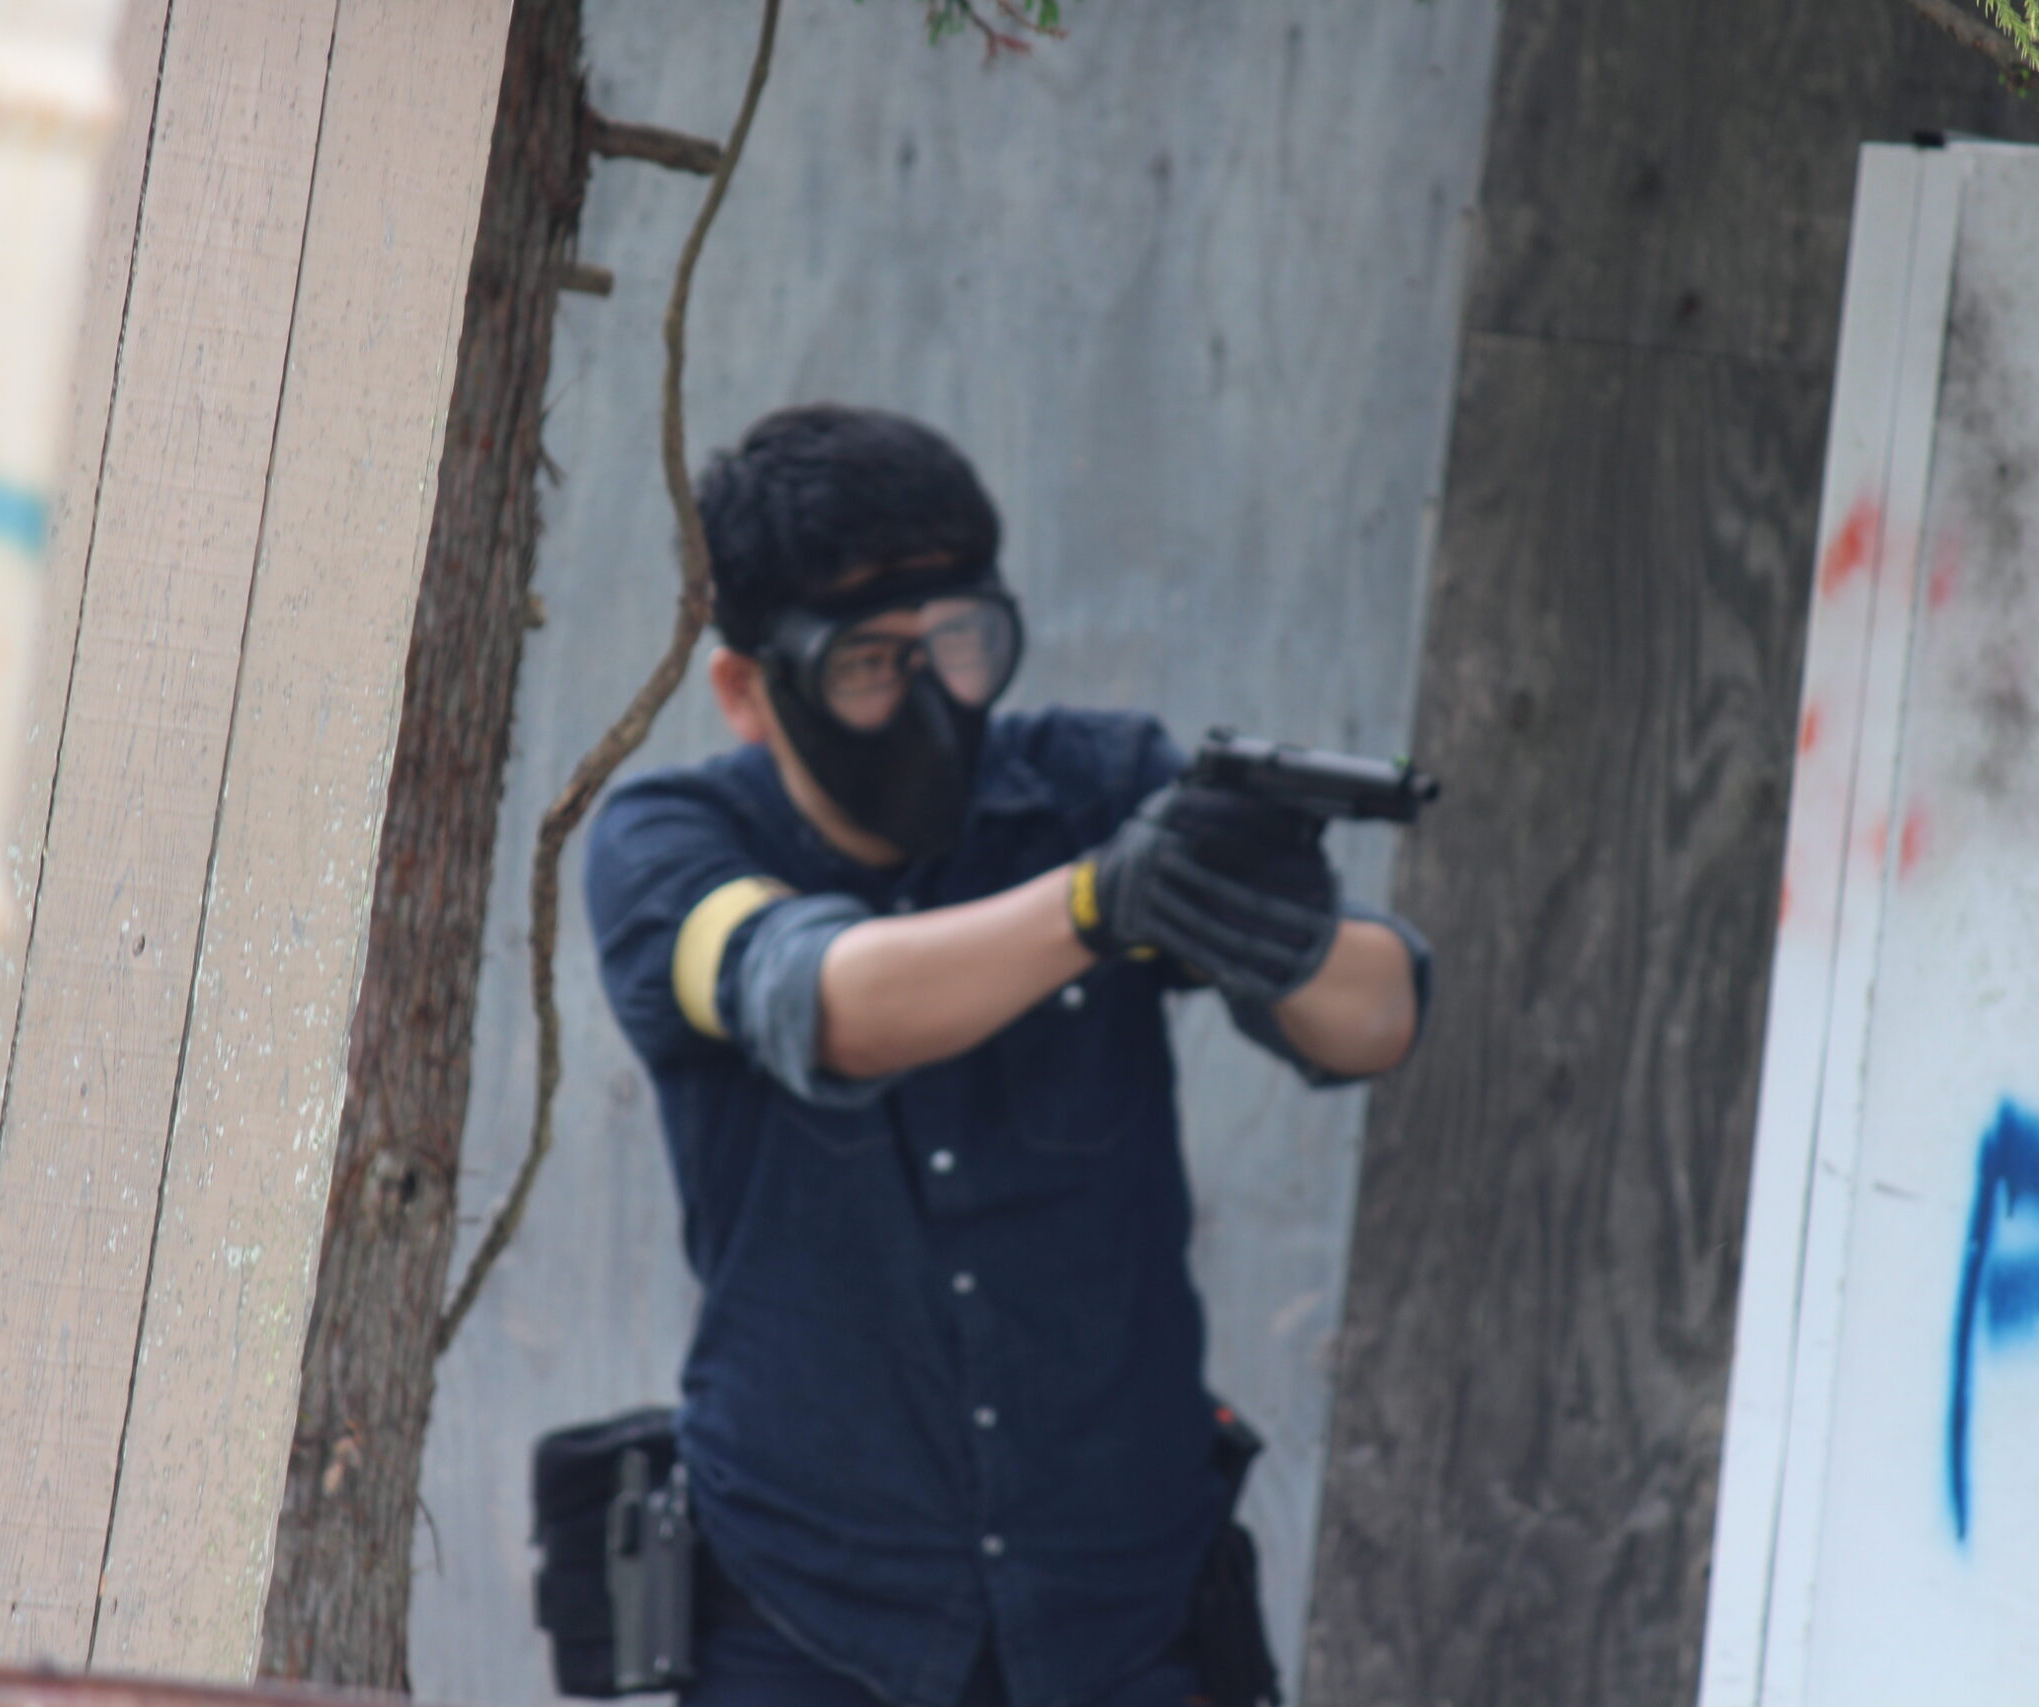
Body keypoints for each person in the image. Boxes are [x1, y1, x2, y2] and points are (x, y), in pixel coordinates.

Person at [582, 404, 1429, 1707]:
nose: (930, 696)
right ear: (747, 691)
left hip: (1122, 1610)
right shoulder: (668, 843)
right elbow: (825, 1000)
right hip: (810, 1613)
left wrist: (1275, 924)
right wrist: (1095, 904)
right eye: (870, 661)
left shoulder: (1095, 786)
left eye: (963, 642)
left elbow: (1376, 1020)